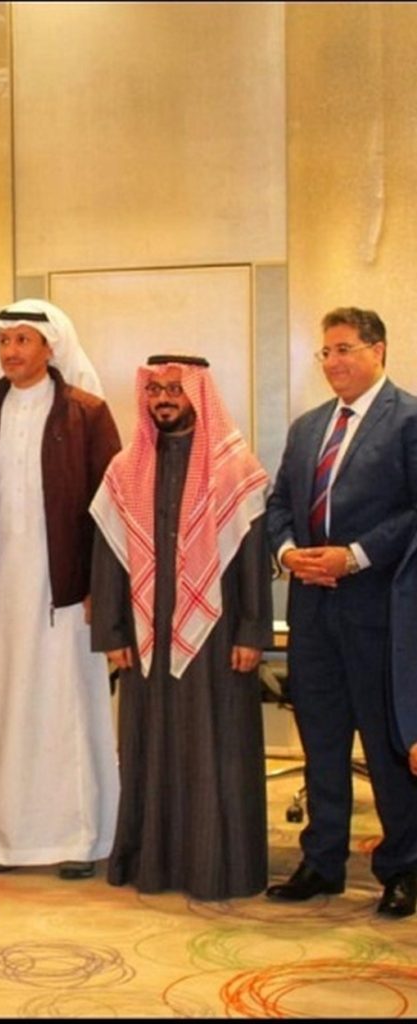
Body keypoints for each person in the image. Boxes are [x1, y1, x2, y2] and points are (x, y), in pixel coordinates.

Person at [0, 298, 121, 879]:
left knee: (67, 706)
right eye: (4, 341)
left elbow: (108, 508)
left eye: (23, 339)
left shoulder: (87, 413)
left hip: (66, 591)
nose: (11, 351)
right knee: (3, 707)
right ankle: (3, 839)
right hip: (0, 586)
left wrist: (99, 585)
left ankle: (78, 839)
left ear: (51, 347)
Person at [89, 354, 272, 900]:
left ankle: (219, 867)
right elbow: (109, 558)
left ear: (198, 393)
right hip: (145, 632)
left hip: (218, 635)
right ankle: (153, 864)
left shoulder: (234, 467)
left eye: (175, 388)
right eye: (155, 389)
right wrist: (113, 634)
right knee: (149, 746)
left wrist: (252, 631)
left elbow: (252, 557)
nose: (163, 399)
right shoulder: (126, 469)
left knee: (217, 746)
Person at [266, 306, 417, 917]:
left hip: (380, 612)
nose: (333, 362)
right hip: (312, 613)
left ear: (378, 350)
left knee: (386, 747)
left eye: (344, 349)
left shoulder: (408, 419)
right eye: (325, 352)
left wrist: (353, 557)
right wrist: (288, 552)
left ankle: (402, 867)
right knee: (321, 741)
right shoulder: (308, 428)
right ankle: (322, 862)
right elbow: (279, 503)